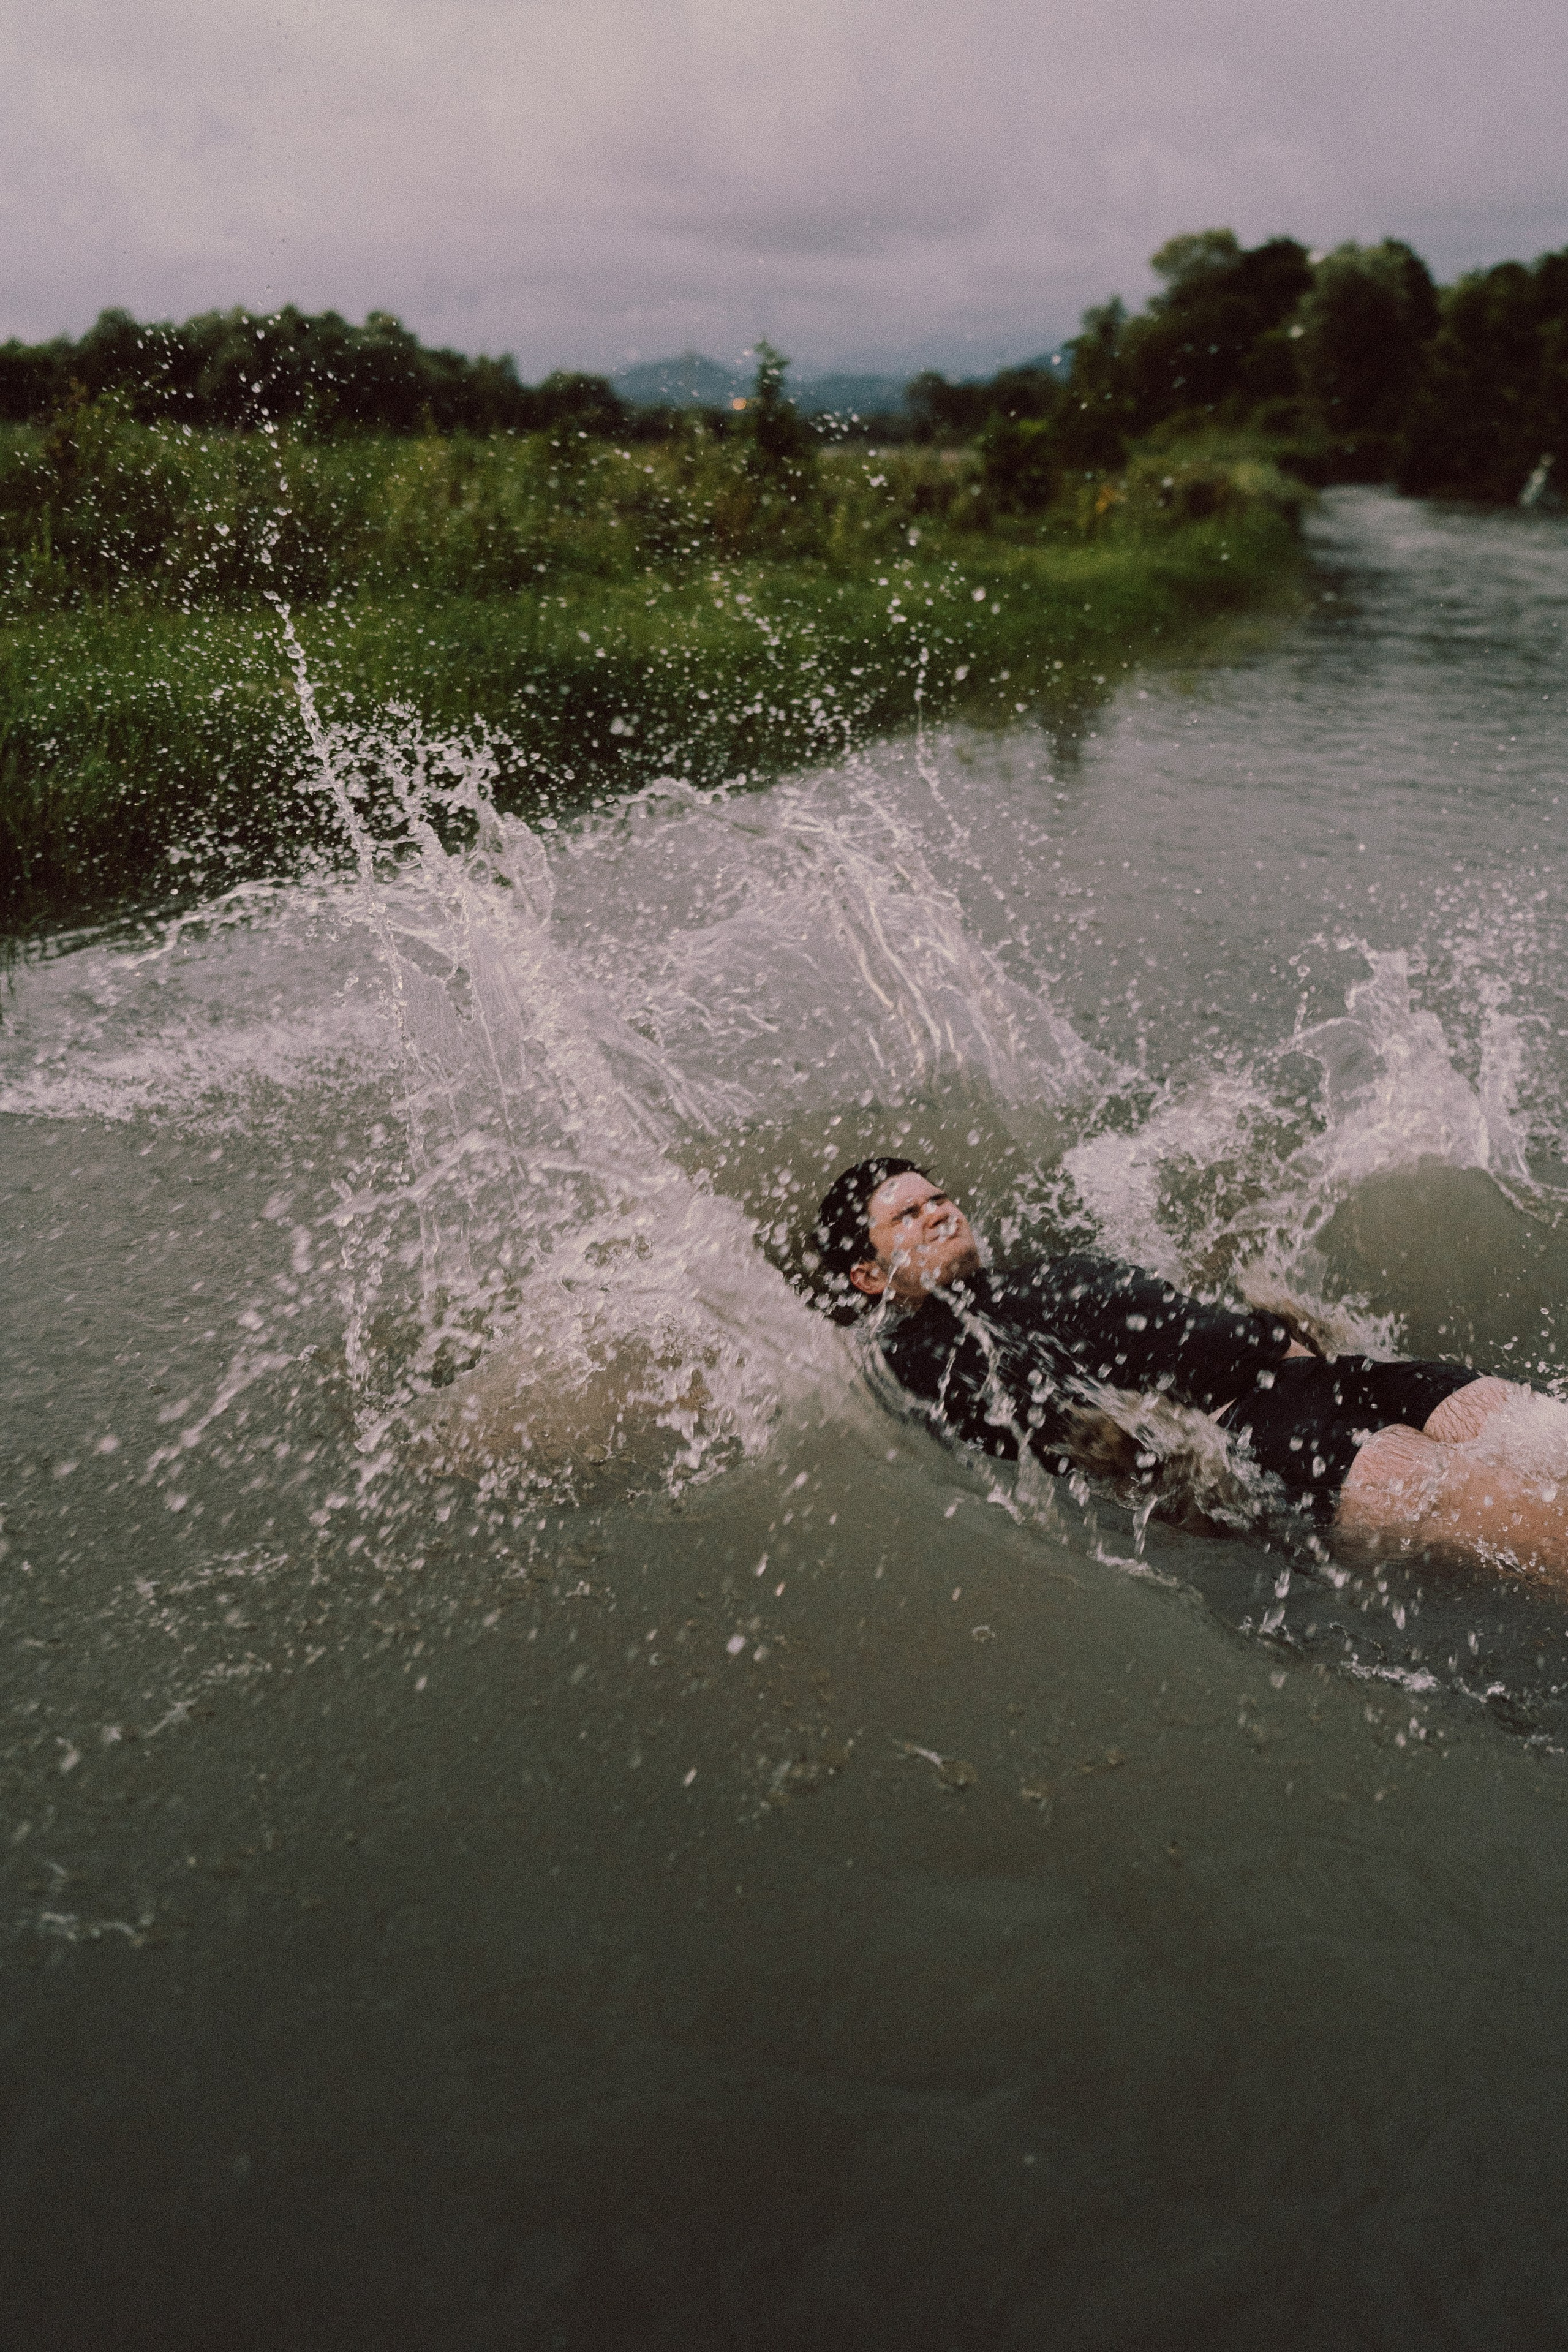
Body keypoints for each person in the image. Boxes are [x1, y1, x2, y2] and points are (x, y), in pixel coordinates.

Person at [810, 1155, 1568, 1574]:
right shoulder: (926, 1352)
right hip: (1264, 1434)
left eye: (938, 1196)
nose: (940, 1211)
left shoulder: (1033, 1278)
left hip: (1331, 1371)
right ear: (870, 1277)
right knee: (1532, 1516)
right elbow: (1079, 1453)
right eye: (907, 1216)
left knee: (1548, 1438)